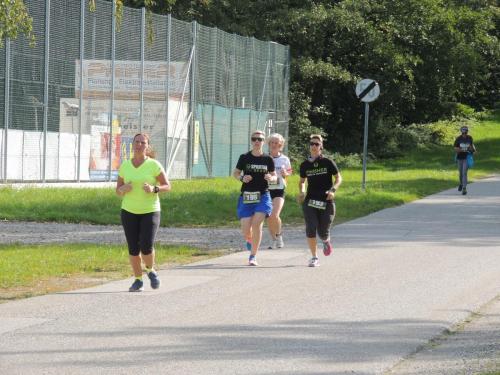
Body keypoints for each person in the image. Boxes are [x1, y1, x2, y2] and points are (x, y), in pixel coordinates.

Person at [116, 133, 171, 291]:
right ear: (133, 144)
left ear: (148, 146)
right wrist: (123, 189)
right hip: (129, 211)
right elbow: (117, 191)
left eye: (143, 142)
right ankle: (138, 280)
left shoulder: (154, 165)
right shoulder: (125, 166)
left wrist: (154, 189)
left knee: (146, 245)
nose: (139, 145)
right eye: (137, 142)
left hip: (150, 210)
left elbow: (167, 185)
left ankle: (150, 269)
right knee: (133, 247)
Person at [233, 130, 277, 266]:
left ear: (264, 142)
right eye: (254, 139)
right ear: (251, 141)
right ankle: (249, 239)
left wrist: (271, 178)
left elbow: (274, 176)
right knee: (246, 228)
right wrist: (242, 178)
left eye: (260, 139)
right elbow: (235, 173)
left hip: (263, 195)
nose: (257, 141)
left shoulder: (268, 159)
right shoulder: (244, 157)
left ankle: (253, 256)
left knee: (256, 224)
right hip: (247, 196)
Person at [298, 134, 342, 267]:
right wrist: (302, 191)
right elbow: (301, 182)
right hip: (310, 201)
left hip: (326, 200)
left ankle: (326, 240)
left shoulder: (328, 162)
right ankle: (314, 257)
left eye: (316, 144)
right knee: (311, 227)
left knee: (323, 231)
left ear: (321, 146)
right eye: (311, 143)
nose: (313, 146)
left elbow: (338, 178)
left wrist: (333, 190)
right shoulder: (305, 165)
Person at [266, 133, 292, 249]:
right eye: (272, 142)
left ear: (280, 145)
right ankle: (273, 239)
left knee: (275, 215)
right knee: (269, 216)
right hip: (266, 190)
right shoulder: (265, 158)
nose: (274, 145)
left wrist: (285, 173)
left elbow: (289, 172)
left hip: (279, 189)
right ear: (269, 144)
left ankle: (279, 235)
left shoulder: (284, 159)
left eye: (277, 143)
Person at [454, 125, 476, 195]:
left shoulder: (470, 138)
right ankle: (461, 184)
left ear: (467, 132)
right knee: (460, 173)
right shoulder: (458, 138)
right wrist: (461, 150)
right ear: (461, 132)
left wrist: (473, 150)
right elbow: (455, 148)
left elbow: (472, 146)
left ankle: (464, 188)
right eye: (463, 132)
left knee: (464, 173)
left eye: (465, 132)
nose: (464, 134)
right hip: (459, 157)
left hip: (467, 157)